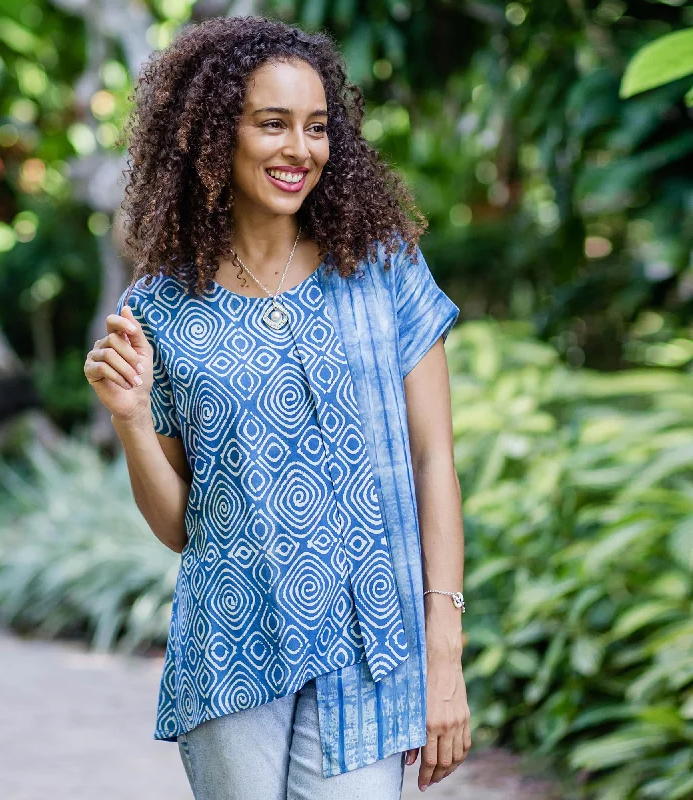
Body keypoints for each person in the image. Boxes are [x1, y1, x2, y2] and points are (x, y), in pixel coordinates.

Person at [84, 15, 470, 800]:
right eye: (273, 124)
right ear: (214, 134)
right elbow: (178, 526)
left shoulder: (383, 266)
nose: (301, 149)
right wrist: (130, 417)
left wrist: (446, 653)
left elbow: (434, 461)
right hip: (230, 652)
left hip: (372, 651)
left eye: (318, 127)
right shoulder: (160, 310)